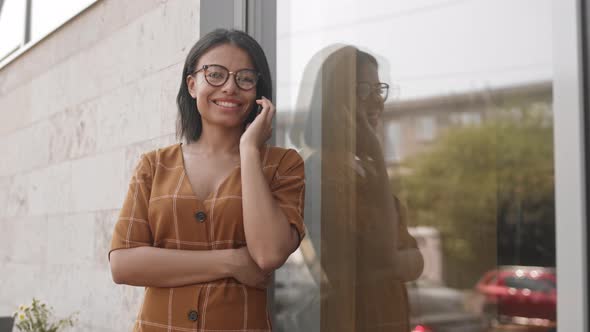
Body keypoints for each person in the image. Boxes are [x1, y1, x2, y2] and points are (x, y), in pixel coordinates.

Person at [108, 29, 306, 332]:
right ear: (192, 84)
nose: (229, 87)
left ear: (259, 93)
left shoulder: (283, 165)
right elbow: (123, 265)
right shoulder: (154, 165)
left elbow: (268, 253)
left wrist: (249, 150)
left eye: (245, 78)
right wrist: (230, 262)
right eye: (215, 74)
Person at [288, 45, 424, 331]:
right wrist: (377, 152)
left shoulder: (365, 169)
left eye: (379, 90)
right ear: (335, 101)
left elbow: (415, 261)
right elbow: (387, 255)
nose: (377, 102)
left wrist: (396, 262)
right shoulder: (319, 172)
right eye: (364, 90)